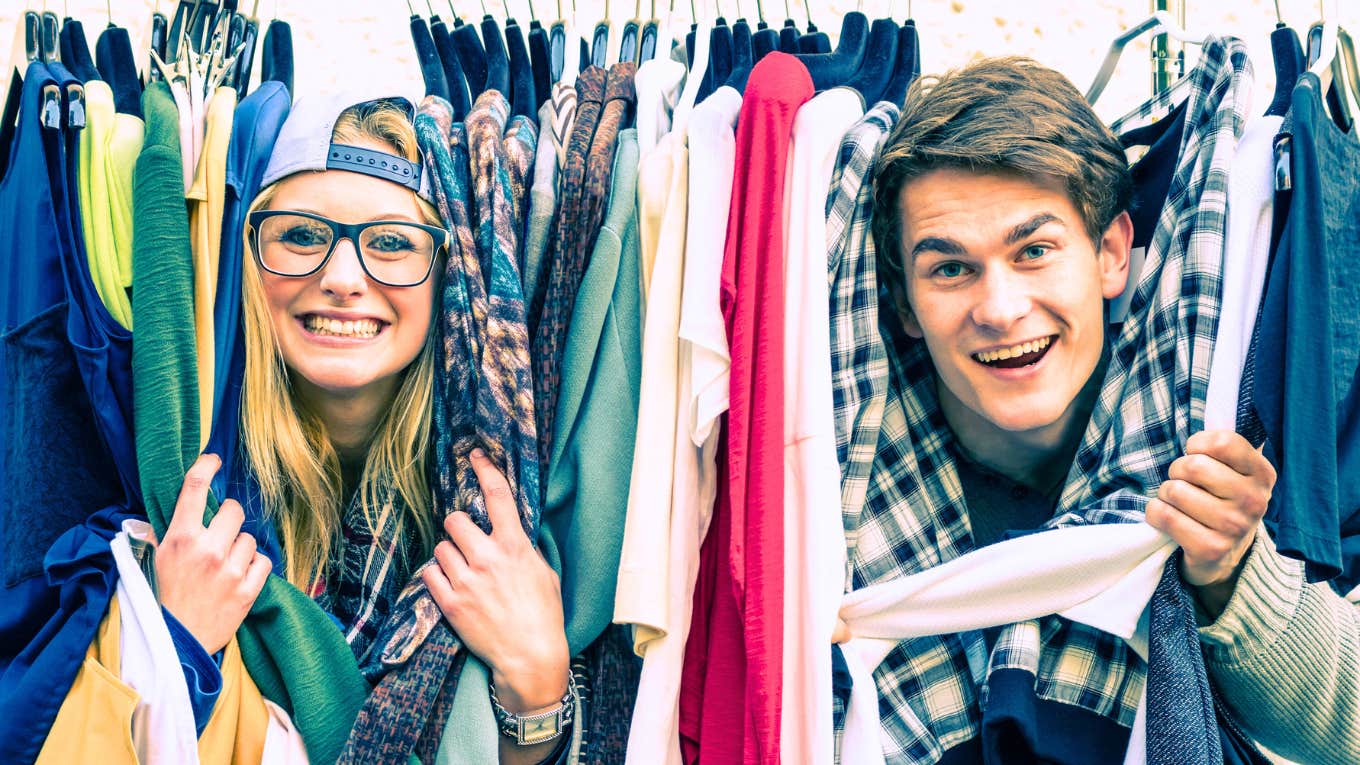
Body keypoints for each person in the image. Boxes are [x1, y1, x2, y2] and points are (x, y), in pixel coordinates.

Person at [846, 56, 1360, 763]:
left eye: (1034, 250)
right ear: (903, 301)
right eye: (950, 268)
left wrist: (1236, 573)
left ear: (1112, 253)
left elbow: (1349, 732)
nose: (999, 309)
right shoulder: (842, 497)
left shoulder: (1216, 423)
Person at [148, 94, 573, 764]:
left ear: (446, 273)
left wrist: (540, 688)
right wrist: (171, 652)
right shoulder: (188, 495)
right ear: (248, 261)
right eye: (301, 235)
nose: (344, 278)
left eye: (393, 243)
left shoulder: (496, 505)